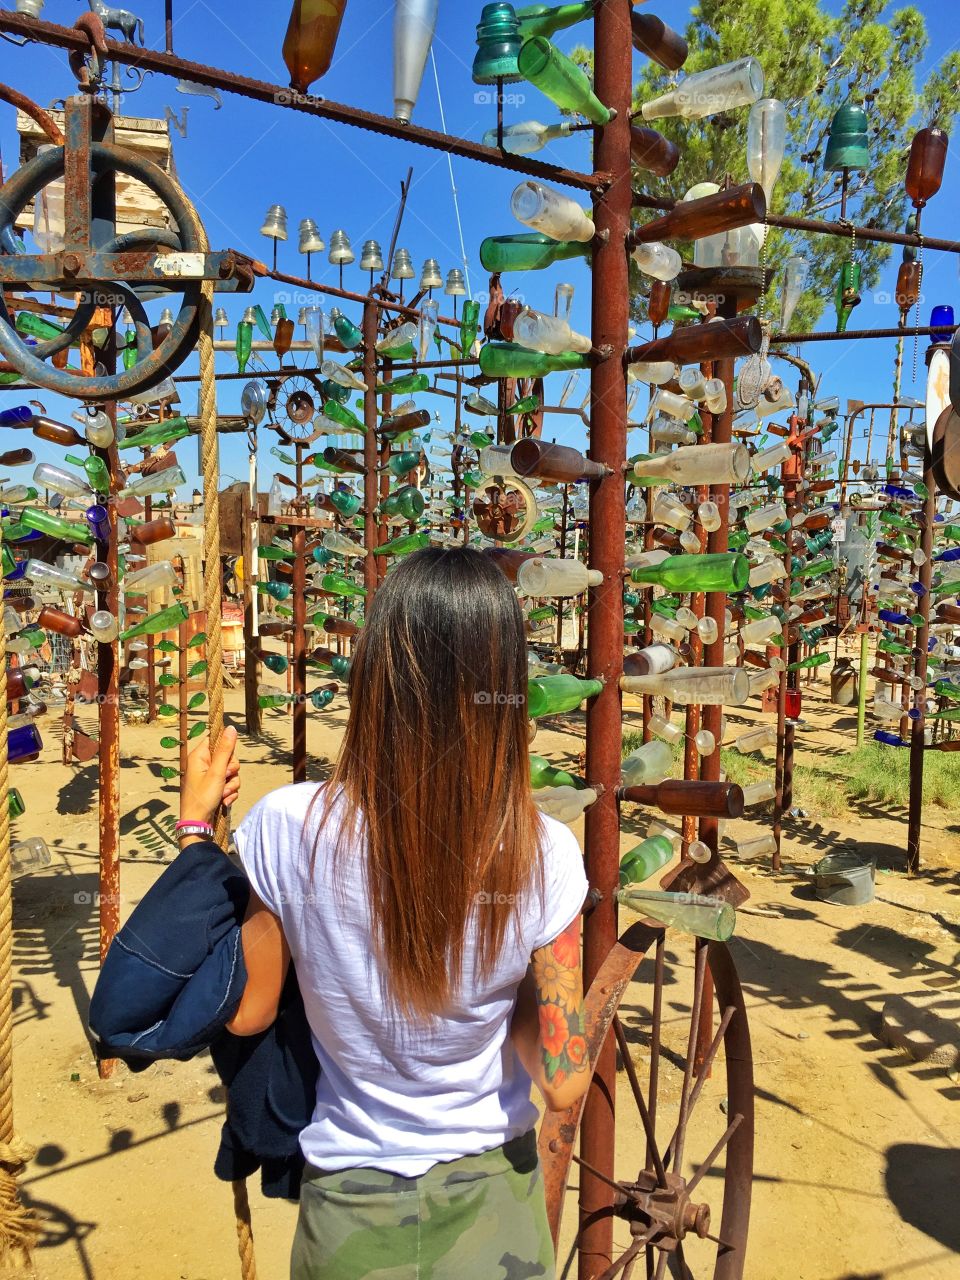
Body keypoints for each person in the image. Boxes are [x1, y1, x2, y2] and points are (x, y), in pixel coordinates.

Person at [181, 546, 590, 1279]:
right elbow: (561, 1081)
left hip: (350, 1211)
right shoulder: (544, 854)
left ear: (374, 674)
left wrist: (194, 826)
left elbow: (247, 1015)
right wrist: (505, 977)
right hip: (496, 1208)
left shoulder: (285, 826)